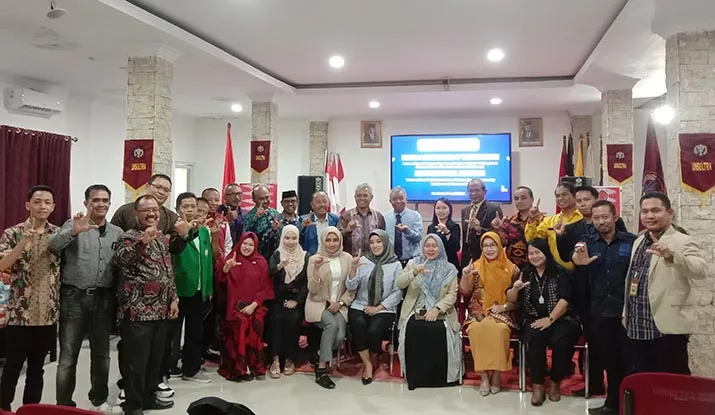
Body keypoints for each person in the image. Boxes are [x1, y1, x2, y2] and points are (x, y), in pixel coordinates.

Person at [50, 185, 122, 413]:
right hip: (74, 298)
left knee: (102, 355)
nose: (101, 204)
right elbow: (54, 245)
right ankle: (64, 405)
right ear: (86, 203)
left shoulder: (117, 232)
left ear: (110, 203)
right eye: (96, 200)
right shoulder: (73, 224)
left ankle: (99, 400)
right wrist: (74, 232)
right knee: (68, 356)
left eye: (105, 200)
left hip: (104, 299)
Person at [623, 193, 708, 375]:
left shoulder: (682, 240)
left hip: (667, 326)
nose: (649, 215)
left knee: (673, 381)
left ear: (669, 213)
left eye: (655, 210)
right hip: (637, 324)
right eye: (645, 211)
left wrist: (671, 256)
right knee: (644, 380)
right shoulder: (638, 241)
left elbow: (700, 271)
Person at [113, 195, 179, 415]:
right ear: (136, 213)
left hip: (161, 310)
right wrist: (142, 242)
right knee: (136, 363)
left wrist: (174, 298)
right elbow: (121, 260)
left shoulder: (162, 239)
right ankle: (133, 405)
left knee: (154, 361)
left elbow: (168, 270)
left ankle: (149, 399)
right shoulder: (129, 237)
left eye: (155, 210)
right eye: (146, 210)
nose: (152, 214)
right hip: (137, 312)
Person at [0, 186, 61, 412]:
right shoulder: (13, 232)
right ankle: (3, 408)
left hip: (47, 314)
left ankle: (31, 410)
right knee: (12, 366)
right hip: (19, 314)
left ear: (53, 207)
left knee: (37, 369)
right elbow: (2, 265)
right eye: (37, 201)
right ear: (27, 205)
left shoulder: (58, 235)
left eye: (47, 202)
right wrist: (22, 244)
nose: (42, 206)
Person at [572, 200, 636, 415]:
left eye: (605, 217)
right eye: (596, 218)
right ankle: (612, 404)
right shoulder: (587, 243)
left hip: (627, 312)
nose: (601, 222)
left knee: (630, 361)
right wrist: (577, 261)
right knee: (610, 360)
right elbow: (576, 257)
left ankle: (632, 404)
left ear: (615, 217)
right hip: (599, 312)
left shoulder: (631, 242)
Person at [506, 238, 581, 406]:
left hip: (560, 317)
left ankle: (555, 382)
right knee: (535, 338)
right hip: (533, 317)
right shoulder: (524, 273)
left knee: (563, 340)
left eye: (537, 252)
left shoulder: (560, 272)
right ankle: (538, 385)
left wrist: (550, 319)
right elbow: (511, 299)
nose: (534, 256)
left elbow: (565, 299)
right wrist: (515, 288)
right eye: (531, 253)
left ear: (546, 253)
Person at [397, 234, 461, 390]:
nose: (430, 249)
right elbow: (399, 283)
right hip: (415, 308)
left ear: (440, 248)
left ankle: (441, 378)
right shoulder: (413, 263)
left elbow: (452, 295)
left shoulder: (449, 268)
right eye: (427, 246)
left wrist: (437, 309)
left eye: (434, 246)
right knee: (413, 328)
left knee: (439, 330)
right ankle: (416, 377)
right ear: (422, 247)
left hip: (442, 310)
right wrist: (413, 273)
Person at [461, 232, 519, 396]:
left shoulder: (512, 269)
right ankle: (484, 376)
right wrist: (465, 276)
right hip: (478, 311)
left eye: (492, 245)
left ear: (499, 246)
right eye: (485, 246)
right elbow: (465, 292)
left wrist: (504, 307)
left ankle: (497, 375)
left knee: (499, 330)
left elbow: (519, 300)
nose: (489, 249)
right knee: (476, 330)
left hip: (503, 312)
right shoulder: (475, 267)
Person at [169, 193, 216, 384]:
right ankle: (169, 367)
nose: (190, 210)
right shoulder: (174, 230)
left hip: (198, 289)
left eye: (193, 206)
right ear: (177, 209)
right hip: (179, 289)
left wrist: (208, 287)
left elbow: (207, 260)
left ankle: (191, 368)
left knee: (195, 330)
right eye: (186, 206)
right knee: (173, 332)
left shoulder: (203, 231)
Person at [346, 230, 403, 385]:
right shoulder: (363, 261)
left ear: (386, 243)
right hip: (361, 305)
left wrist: (378, 308)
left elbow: (397, 292)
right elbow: (351, 287)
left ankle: (373, 356)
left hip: (385, 307)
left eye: (379, 241)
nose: (375, 245)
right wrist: (353, 270)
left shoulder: (395, 264)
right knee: (358, 324)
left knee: (374, 330)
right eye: (371, 242)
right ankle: (368, 364)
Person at [217, 233, 274, 381]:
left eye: (251, 245)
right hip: (234, 307)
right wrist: (225, 270)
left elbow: (265, 288)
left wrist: (253, 305)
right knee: (241, 323)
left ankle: (254, 365)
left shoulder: (261, 262)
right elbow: (220, 283)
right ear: (239, 243)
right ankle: (239, 368)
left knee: (256, 321)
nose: (247, 247)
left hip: (255, 305)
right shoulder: (231, 259)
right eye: (245, 243)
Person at [305, 227, 355, 389]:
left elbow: (351, 288)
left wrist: (340, 303)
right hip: (318, 303)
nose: (332, 244)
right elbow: (312, 289)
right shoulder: (314, 259)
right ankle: (321, 370)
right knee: (331, 325)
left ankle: (319, 353)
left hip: (339, 305)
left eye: (335, 240)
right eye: (328, 240)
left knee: (339, 336)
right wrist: (316, 269)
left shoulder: (347, 258)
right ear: (323, 241)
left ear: (340, 241)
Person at [267, 225, 309, 379]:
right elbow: (270, 274)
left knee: (293, 319)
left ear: (298, 239)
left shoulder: (305, 256)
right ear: (282, 238)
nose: (290, 241)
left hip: (297, 300)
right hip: (278, 299)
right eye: (287, 238)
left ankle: (290, 359)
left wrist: (297, 301)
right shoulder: (277, 254)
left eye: (294, 238)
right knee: (276, 319)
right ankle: (275, 359)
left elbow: (307, 282)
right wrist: (280, 265)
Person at [524, 182, 583, 271]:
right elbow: (532, 240)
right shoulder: (549, 221)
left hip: (582, 270)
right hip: (557, 272)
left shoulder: (584, 218)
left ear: (574, 196)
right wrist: (531, 220)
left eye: (564, 194)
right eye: (557, 196)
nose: (560, 198)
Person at [110, 174, 177, 234]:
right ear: (147, 186)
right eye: (158, 187)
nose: (161, 192)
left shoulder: (171, 217)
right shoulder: (125, 211)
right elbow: (112, 236)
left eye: (166, 190)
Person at [461, 179, 503, 268]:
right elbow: (465, 238)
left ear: (485, 191)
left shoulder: (494, 209)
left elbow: (497, 236)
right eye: (471, 190)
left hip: (486, 256)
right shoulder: (465, 211)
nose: (473, 193)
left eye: (477, 190)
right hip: (467, 258)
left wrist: (479, 229)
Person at [338, 183, 386, 257]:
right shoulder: (346, 216)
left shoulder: (379, 217)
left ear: (371, 197)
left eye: (365, 195)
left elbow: (383, 241)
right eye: (359, 195)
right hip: (352, 260)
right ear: (355, 197)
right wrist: (347, 230)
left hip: (374, 260)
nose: (362, 198)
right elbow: (336, 239)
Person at [491, 186, 533, 268]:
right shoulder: (509, 220)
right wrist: (497, 229)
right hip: (512, 266)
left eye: (523, 198)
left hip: (535, 265)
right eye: (516, 198)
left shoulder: (542, 221)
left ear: (532, 199)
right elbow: (502, 244)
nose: (519, 201)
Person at [384, 187, 423, 267]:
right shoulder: (385, 218)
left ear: (406, 199)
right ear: (390, 201)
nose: (398, 201)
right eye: (394, 199)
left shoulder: (415, 216)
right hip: (391, 262)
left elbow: (418, 238)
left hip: (411, 262)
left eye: (401, 198)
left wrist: (407, 231)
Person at [261, 190, 301, 258]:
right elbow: (265, 243)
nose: (290, 204)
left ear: (297, 202)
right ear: (282, 203)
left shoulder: (301, 221)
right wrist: (273, 230)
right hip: (278, 258)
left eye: (293, 201)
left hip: (297, 259)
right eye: (287, 201)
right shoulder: (274, 220)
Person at [243, 185, 279, 260]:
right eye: (261, 199)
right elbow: (244, 236)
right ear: (254, 199)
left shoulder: (275, 213)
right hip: (257, 256)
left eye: (267, 197)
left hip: (274, 256)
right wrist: (255, 217)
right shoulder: (249, 216)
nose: (265, 201)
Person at [427, 198, 461, 271]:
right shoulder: (431, 227)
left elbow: (456, 248)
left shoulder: (454, 226)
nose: (441, 211)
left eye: (444, 208)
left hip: (450, 264)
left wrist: (447, 232)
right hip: (434, 265)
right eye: (438, 208)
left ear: (450, 210)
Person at [201, 188, 233, 256]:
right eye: (209, 200)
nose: (214, 203)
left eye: (217, 200)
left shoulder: (223, 220)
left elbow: (228, 244)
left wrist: (225, 259)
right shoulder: (199, 219)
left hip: (220, 260)